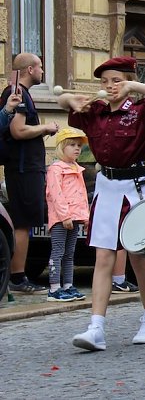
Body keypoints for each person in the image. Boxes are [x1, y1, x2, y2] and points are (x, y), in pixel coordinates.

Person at [58, 56, 145, 351]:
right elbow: (64, 104)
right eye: (105, 82)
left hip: (136, 188)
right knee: (104, 259)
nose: (110, 87)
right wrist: (73, 101)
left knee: (138, 257)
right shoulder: (94, 112)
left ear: (129, 82)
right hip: (107, 188)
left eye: (116, 80)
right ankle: (96, 327)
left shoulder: (141, 111)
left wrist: (133, 86)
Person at [2, 53, 58, 294]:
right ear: (29, 69)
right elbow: (18, 130)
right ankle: (17, 277)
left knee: (25, 222)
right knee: (22, 223)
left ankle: (19, 274)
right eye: (40, 67)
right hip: (24, 168)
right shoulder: (17, 94)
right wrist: (45, 127)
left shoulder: (21, 93)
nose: (43, 72)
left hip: (26, 167)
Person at [44, 127, 90, 302]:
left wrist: (85, 216)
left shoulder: (77, 168)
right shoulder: (56, 169)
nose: (77, 148)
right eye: (72, 145)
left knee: (70, 253)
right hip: (61, 219)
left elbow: (82, 195)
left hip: (75, 218)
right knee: (58, 251)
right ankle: (54, 288)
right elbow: (56, 194)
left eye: (79, 145)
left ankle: (68, 285)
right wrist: (64, 216)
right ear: (62, 147)